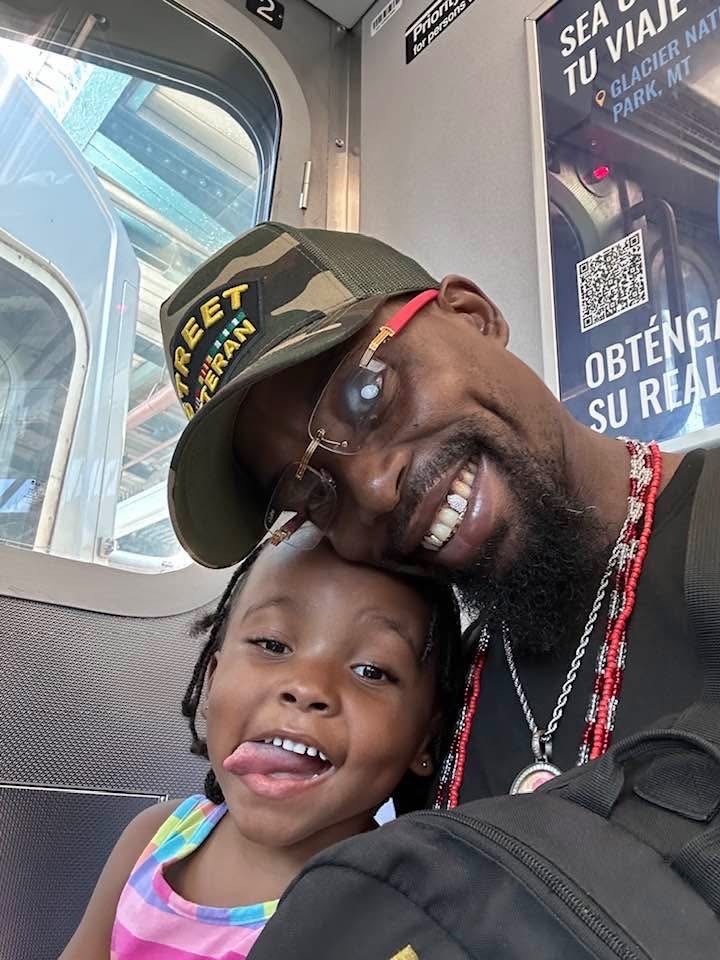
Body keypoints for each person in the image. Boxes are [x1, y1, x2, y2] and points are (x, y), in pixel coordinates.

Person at [159, 221, 714, 802]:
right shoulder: (427, 713)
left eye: (366, 392)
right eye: (310, 492)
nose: (374, 490)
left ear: (473, 315)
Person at [59, 529, 466, 959]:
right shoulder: (155, 837)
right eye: (272, 644)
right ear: (212, 678)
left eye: (371, 670)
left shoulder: (391, 920)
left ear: (426, 737)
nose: (306, 687)